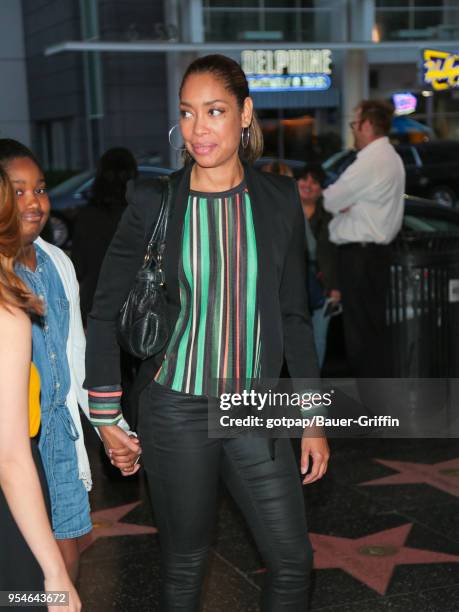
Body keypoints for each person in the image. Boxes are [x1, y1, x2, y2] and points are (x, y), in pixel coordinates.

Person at [85, 54, 329, 611]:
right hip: (175, 407)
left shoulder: (277, 201)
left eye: (214, 111)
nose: (198, 129)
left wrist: (313, 419)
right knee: (185, 564)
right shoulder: (155, 202)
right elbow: (104, 311)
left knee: (293, 560)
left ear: (244, 114)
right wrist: (107, 415)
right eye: (188, 113)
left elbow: (293, 315)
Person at [0, 166, 81, 611]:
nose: (31, 204)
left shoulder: (52, 268)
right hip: (11, 508)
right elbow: (10, 455)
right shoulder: (7, 309)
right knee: (24, 598)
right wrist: (55, 576)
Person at [323, 100, 405, 378]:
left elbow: (330, 199)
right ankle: (378, 407)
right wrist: (351, 205)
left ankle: (373, 411)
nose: (353, 131)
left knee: (362, 340)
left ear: (367, 125)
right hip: (375, 256)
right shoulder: (391, 158)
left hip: (360, 257)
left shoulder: (371, 161)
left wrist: (347, 205)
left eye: (354, 124)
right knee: (372, 333)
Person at [71, 147, 138, 324]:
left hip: (95, 304)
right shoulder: (139, 215)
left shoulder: (87, 216)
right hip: (133, 307)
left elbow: (79, 266)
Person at [297, 164, 340, 368]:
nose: (308, 185)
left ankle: (310, 392)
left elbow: (338, 255)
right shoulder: (284, 213)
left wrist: (336, 288)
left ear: (321, 189)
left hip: (323, 289)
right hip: (291, 288)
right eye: (304, 179)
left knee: (318, 340)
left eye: (314, 182)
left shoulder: (331, 218)